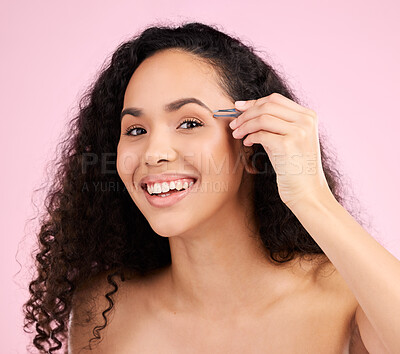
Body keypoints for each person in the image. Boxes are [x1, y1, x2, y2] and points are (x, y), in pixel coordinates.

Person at [23, 22, 400, 353]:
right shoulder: (105, 313)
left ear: (255, 140)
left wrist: (311, 197)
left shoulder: (349, 299)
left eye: (189, 123)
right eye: (135, 130)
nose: (153, 153)